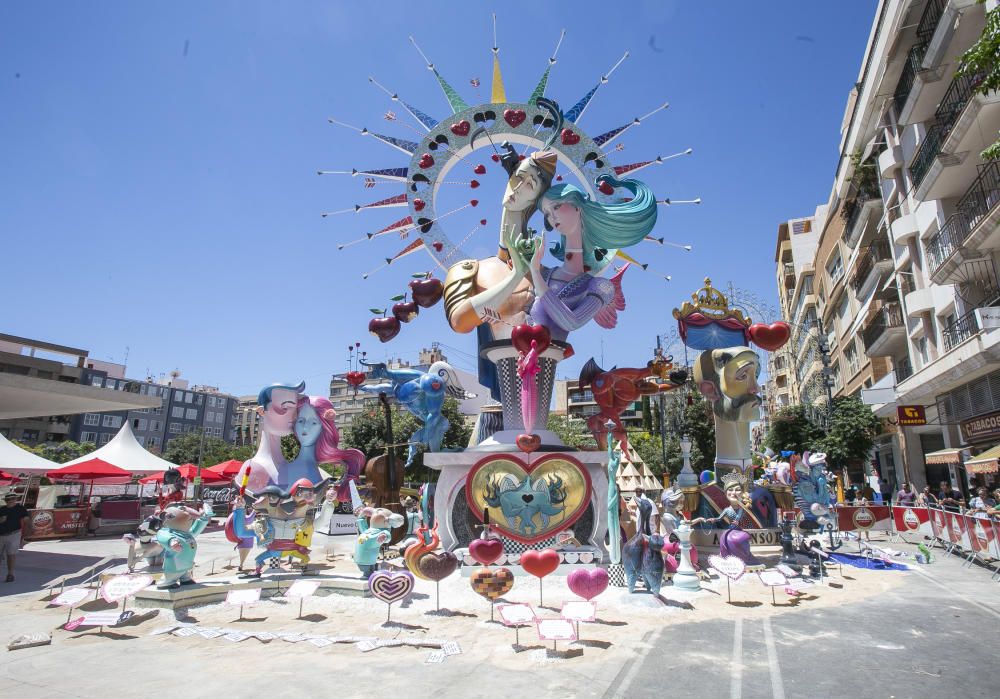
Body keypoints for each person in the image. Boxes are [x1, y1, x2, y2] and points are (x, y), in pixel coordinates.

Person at [0, 493, 29, 582]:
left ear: (16, 499)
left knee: (11, 555)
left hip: (14, 533)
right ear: (6, 501)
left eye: (13, 499)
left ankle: (10, 574)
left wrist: (25, 536)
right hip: (1, 534)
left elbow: (26, 520)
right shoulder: (2, 509)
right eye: (9, 499)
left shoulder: (20, 508)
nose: (11, 501)